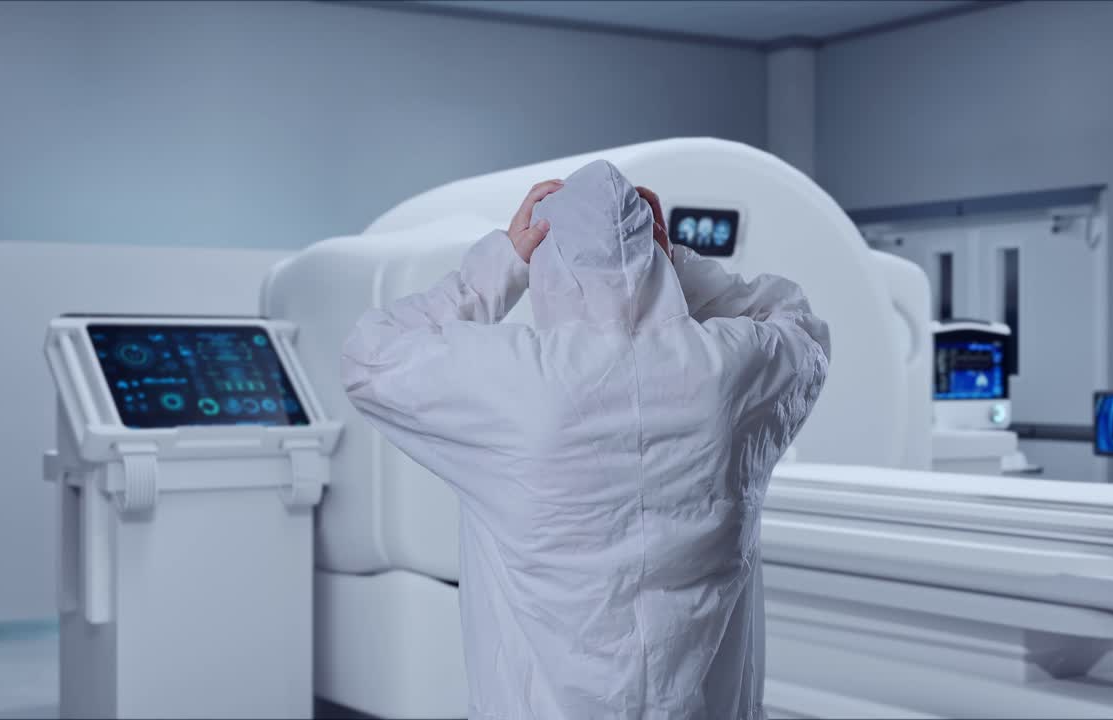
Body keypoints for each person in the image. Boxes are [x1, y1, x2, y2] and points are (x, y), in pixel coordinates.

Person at [341, 159, 830, 720]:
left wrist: (503, 262)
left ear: (549, 268)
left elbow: (368, 358)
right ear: (656, 254)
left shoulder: (522, 379)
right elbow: (799, 326)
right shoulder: (726, 369)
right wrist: (674, 264)